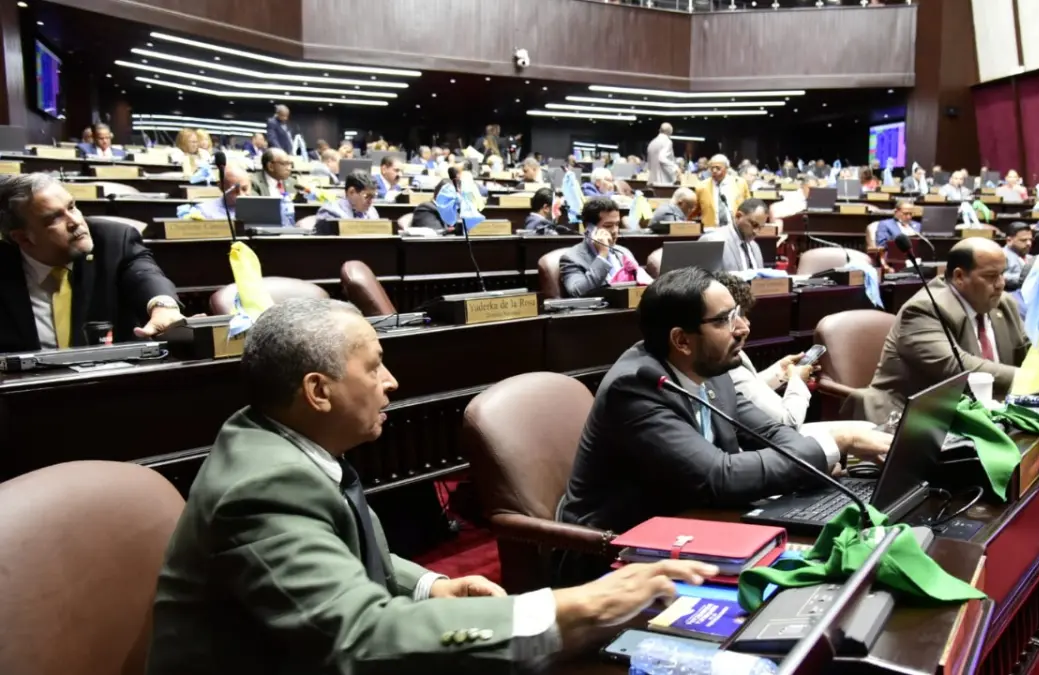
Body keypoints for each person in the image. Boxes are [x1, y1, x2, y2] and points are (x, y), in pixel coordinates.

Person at [146, 298, 717, 674]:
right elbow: (359, 637)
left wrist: (427, 587)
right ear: (318, 392)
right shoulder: (263, 488)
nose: (392, 382)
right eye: (374, 367)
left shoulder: (285, 442)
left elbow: (343, 551)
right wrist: (570, 605)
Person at [558, 268, 889, 571]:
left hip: (692, 527)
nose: (742, 328)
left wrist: (812, 461)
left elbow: (772, 432)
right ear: (682, 340)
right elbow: (719, 476)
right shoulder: (636, 387)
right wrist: (837, 442)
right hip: (615, 552)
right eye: (724, 320)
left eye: (738, 314)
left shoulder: (711, 370)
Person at [844, 238, 1030, 423]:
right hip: (913, 419)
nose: (1001, 284)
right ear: (959, 276)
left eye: (1002, 274)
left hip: (985, 415)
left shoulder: (1004, 304)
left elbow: (1028, 349)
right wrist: (1028, 378)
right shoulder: (924, 309)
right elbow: (955, 367)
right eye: (990, 276)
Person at [0, 174, 182, 352]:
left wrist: (163, 307)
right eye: (55, 218)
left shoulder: (113, 240)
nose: (75, 221)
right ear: (23, 238)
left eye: (71, 207)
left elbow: (145, 274)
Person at [714, 272, 890, 449]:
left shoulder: (729, 355)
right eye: (738, 315)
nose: (746, 324)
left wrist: (780, 372)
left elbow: (748, 388)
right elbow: (788, 424)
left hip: (776, 438)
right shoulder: (728, 362)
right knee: (868, 431)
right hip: (778, 444)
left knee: (868, 430)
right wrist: (797, 380)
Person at [559, 198, 652, 297]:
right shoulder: (571, 258)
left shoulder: (623, 252)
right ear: (589, 228)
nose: (615, 231)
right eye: (608, 226)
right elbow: (577, 292)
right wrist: (603, 255)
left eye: (617, 224)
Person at [699, 198, 768, 272]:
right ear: (739, 216)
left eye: (761, 227)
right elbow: (703, 278)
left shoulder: (755, 246)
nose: (756, 232)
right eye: (754, 225)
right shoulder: (712, 241)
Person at [694, 154, 750, 229]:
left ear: (726, 168)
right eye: (712, 168)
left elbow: (748, 207)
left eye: (718, 168)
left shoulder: (740, 183)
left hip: (735, 229)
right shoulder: (701, 186)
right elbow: (694, 210)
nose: (714, 171)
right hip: (710, 230)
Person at [315, 170, 379, 223]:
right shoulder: (330, 213)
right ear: (352, 192)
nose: (371, 202)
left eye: (373, 196)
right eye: (367, 196)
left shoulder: (372, 212)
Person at [1002, 221, 1033, 290]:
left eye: (1030, 240)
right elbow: (999, 277)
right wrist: (1030, 277)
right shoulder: (1000, 256)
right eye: (1023, 240)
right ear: (1009, 240)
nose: (1029, 243)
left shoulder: (1031, 258)